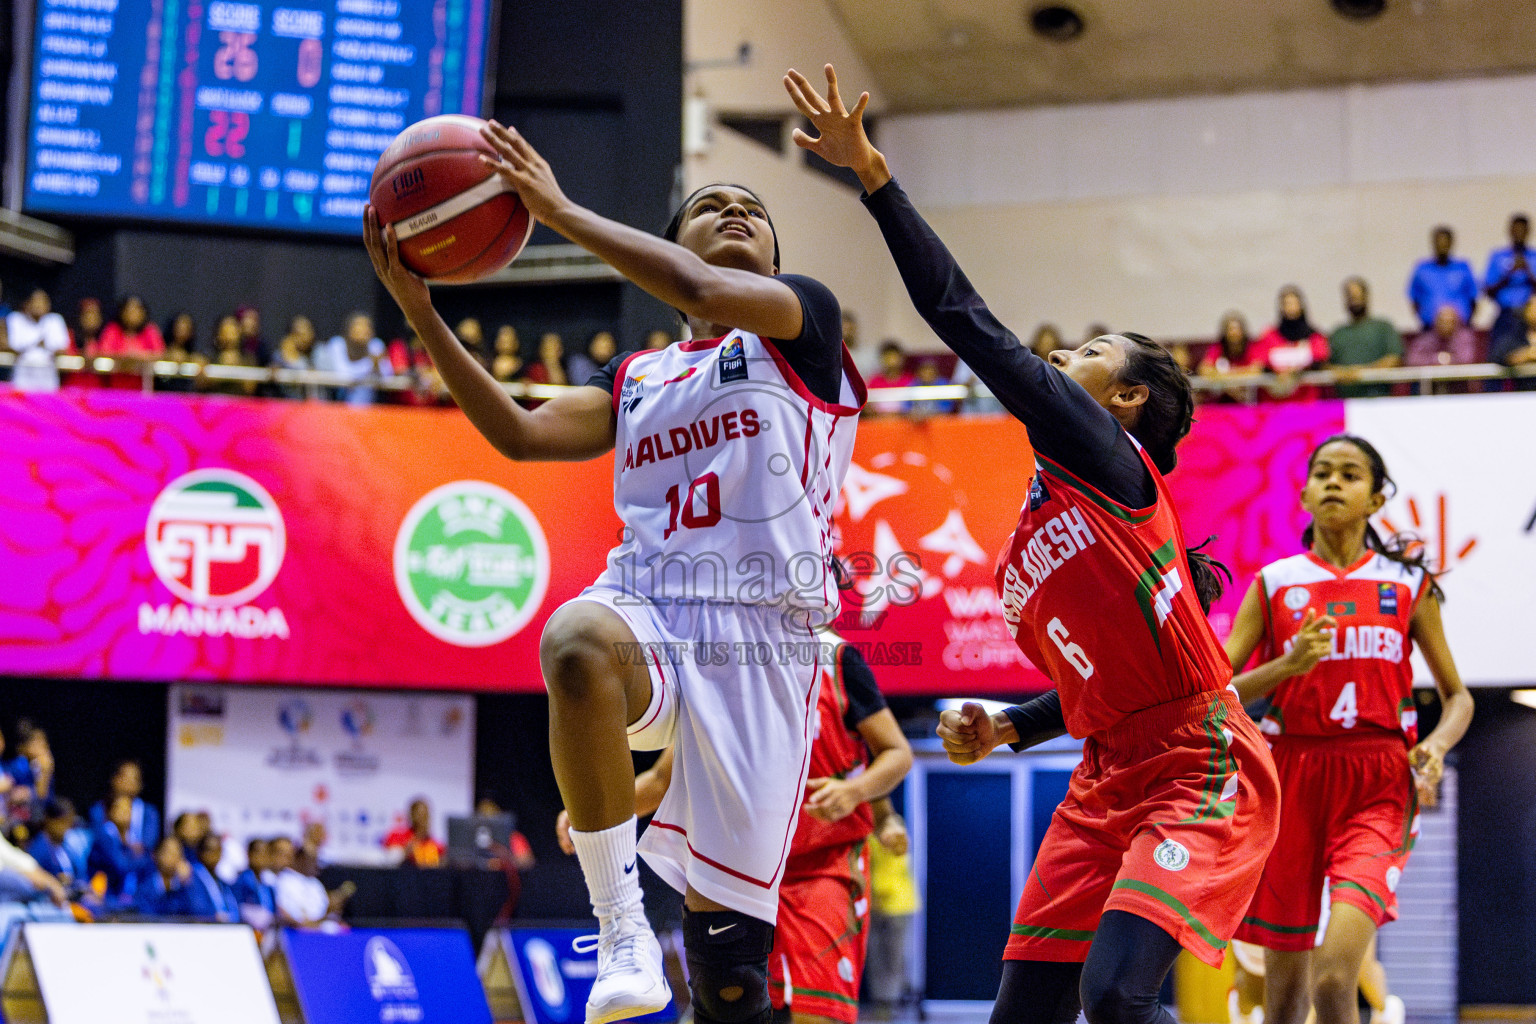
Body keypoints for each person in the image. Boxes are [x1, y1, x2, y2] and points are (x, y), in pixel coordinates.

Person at [787, 62, 1279, 1024]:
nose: (1064, 357)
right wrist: (1014, 725)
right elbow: (1107, 682)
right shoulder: (1038, 518)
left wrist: (875, 181)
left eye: (1091, 353)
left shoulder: (1106, 451)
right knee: (1025, 1013)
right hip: (1106, 768)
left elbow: (960, 319)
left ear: (1127, 399)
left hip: (1199, 761)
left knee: (1119, 998)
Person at [365, 112, 864, 1024]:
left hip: (760, 647)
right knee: (574, 639)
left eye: (752, 205)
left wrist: (554, 209)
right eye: (712, 204)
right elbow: (519, 434)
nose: (735, 210)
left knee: (730, 983)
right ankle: (620, 922)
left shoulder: (804, 327)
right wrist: (421, 316)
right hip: (652, 605)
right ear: (669, 245)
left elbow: (696, 282)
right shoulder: (636, 376)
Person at [1223, 435, 1473, 1024]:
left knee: (1337, 977)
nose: (1334, 482)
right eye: (1323, 473)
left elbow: (1458, 697)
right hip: (1289, 780)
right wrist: (1286, 668)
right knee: (1282, 999)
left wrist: (1434, 746)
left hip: (1378, 779)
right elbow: (1218, 689)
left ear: (1376, 496)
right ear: (1305, 493)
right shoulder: (1274, 582)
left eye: (1351, 474)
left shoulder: (1408, 585)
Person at [559, 636, 913, 1024]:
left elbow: (898, 752)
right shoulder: (724, 667)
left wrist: (853, 791)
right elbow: (662, 780)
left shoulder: (837, 661)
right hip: (745, 871)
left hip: (822, 868)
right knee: (723, 1004)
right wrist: (590, 814)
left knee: (817, 1014)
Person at [864, 804, 917, 1022]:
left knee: (894, 956)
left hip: (897, 904)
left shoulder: (895, 833)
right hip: (875, 906)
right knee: (876, 957)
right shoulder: (868, 835)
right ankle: (883, 1002)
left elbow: (896, 866)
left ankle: (893, 1002)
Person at [1326, 278, 1403, 399]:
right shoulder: (1338, 333)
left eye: (1357, 296)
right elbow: (1326, 364)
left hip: (1379, 400)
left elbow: (1394, 359)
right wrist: (1344, 374)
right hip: (1345, 404)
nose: (1354, 301)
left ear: (1366, 297)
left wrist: (1362, 373)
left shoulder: (1383, 327)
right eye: (1350, 297)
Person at [1249, 286, 1329, 400]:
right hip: (1275, 403)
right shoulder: (1269, 336)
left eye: (1293, 303)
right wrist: (1278, 373)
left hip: (1307, 401)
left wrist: (1296, 372)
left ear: (1301, 306)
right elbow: (1260, 363)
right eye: (1286, 304)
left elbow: (1320, 360)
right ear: (1281, 307)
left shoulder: (1314, 337)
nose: (1290, 308)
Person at [1407, 226, 1477, 331]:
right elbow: (1415, 299)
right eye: (1438, 242)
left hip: (1459, 329)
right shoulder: (1422, 269)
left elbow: (1473, 299)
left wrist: (1466, 322)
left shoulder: (1463, 268)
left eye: (1445, 242)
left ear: (1451, 243)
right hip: (1430, 329)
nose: (1441, 245)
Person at [6, 288, 70, 393]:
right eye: (35, 301)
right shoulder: (15, 318)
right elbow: (15, 345)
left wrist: (36, 344)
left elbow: (62, 347)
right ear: (27, 303)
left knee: (47, 407)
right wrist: (39, 341)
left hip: (47, 374)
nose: (39, 305)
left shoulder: (55, 320)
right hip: (24, 374)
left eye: (42, 301)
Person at [314, 312, 386, 405]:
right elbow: (341, 374)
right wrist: (368, 366)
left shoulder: (376, 346)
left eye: (367, 326)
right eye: (358, 325)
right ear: (348, 329)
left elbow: (388, 377)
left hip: (369, 407)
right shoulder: (337, 344)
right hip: (337, 403)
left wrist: (377, 366)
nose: (363, 330)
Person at [1482, 213, 1533, 344]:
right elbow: (1488, 290)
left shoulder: (1534, 256)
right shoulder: (1498, 256)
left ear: (1528, 231)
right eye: (1516, 230)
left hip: (1531, 318)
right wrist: (1509, 274)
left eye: (1522, 230)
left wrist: (1527, 271)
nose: (1519, 233)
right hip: (1505, 315)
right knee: (1500, 354)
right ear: (1510, 231)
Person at [1405, 304, 1479, 394]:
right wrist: (1437, 359)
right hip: (1430, 388)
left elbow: (1466, 359)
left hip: (1458, 388)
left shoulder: (1464, 338)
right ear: (1436, 322)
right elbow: (1412, 360)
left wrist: (1446, 361)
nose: (1446, 325)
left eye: (1450, 322)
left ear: (1456, 322)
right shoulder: (1426, 339)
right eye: (1443, 321)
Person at [90, 759, 160, 850]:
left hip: (140, 863)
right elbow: (99, 841)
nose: (129, 782)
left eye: (134, 778)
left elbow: (149, 846)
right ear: (114, 779)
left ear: (140, 785)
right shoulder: (99, 809)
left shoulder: (149, 812)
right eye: (124, 777)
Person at [1197, 311, 1263, 404]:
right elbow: (1204, 370)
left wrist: (1227, 376)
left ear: (1243, 331)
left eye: (1237, 329)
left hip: (1249, 399)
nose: (1234, 333)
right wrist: (1229, 386)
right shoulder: (1217, 348)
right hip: (1222, 400)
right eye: (1230, 329)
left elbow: (1256, 370)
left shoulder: (1251, 347)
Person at [27, 798, 88, 887]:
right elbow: (35, 877)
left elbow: (80, 874)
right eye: (62, 822)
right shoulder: (38, 849)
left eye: (69, 823)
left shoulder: (66, 847)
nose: (66, 828)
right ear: (49, 821)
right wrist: (56, 879)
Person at [136, 835, 195, 917]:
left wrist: (186, 883)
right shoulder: (145, 889)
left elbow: (196, 913)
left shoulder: (185, 886)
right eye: (169, 853)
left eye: (178, 853)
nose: (174, 857)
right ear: (156, 855)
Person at [1487, 294, 1536, 389]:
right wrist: (1525, 355)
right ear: (1526, 311)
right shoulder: (1515, 335)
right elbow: (1497, 357)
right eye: (1534, 307)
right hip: (1521, 394)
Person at [189, 834, 240, 921]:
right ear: (200, 852)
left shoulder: (221, 881)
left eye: (218, 850)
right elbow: (196, 907)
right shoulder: (192, 877)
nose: (215, 856)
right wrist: (213, 916)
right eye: (210, 850)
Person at [97, 294, 166, 359]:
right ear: (122, 313)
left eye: (136, 311)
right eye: (129, 311)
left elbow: (160, 355)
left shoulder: (150, 330)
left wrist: (140, 356)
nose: (132, 315)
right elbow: (104, 354)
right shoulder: (112, 329)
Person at [382, 798, 446, 867]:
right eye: (419, 816)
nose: (422, 821)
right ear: (411, 816)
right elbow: (387, 863)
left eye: (425, 815)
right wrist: (404, 853)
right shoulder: (397, 837)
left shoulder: (437, 846)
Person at [865, 340, 915, 414]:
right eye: (888, 357)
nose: (891, 361)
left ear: (901, 358)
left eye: (894, 357)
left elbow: (913, 405)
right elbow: (867, 404)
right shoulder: (874, 381)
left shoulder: (910, 380)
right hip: (878, 422)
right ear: (882, 359)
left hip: (904, 422)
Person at [232, 837, 277, 915]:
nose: (262, 858)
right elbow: (238, 907)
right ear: (249, 854)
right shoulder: (242, 881)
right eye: (258, 853)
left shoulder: (268, 883)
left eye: (266, 854)